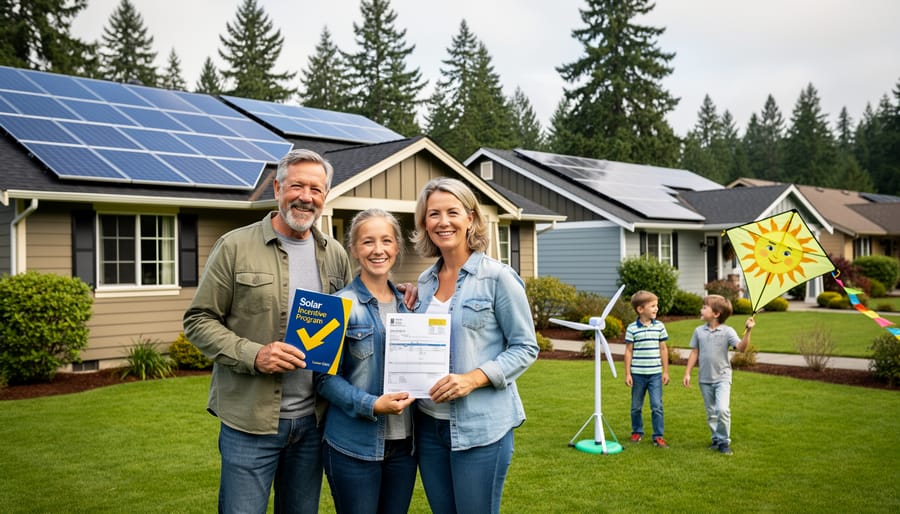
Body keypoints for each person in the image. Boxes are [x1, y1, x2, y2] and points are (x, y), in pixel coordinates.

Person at [183, 148, 353, 514]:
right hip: (250, 422)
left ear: (325, 196)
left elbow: (356, 318)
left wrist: (404, 292)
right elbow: (198, 320)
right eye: (297, 186)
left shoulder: (335, 255)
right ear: (277, 188)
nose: (306, 197)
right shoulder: (234, 247)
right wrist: (254, 354)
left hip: (312, 422)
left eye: (316, 189)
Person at [410, 177, 539, 514]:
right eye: (433, 214)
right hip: (428, 425)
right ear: (424, 223)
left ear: (470, 217)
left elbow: (526, 347)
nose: (443, 221)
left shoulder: (498, 277)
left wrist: (473, 378)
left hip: (480, 429)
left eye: (453, 211)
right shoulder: (424, 283)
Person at [315, 208, 417, 514]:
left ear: (397, 248)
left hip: (405, 446)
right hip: (353, 446)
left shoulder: (412, 305)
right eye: (368, 242)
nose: (378, 250)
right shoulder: (336, 305)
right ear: (353, 250)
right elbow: (323, 379)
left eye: (386, 240)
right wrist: (371, 404)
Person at [682, 294, 756, 456]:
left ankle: (724, 441)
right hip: (704, 378)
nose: (701, 309)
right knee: (711, 412)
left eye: (704, 307)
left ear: (716, 314)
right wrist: (687, 373)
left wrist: (748, 331)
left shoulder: (727, 331)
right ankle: (716, 438)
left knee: (722, 409)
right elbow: (694, 352)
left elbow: (741, 348)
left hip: (722, 377)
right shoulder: (698, 331)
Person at [624, 290, 670, 448]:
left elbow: (663, 349)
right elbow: (629, 351)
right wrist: (628, 373)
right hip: (638, 375)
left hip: (655, 375)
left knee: (657, 406)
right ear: (640, 309)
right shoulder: (632, 329)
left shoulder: (660, 327)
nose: (656, 309)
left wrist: (665, 371)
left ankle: (658, 436)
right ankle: (637, 431)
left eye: (656, 305)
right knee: (636, 406)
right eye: (653, 306)